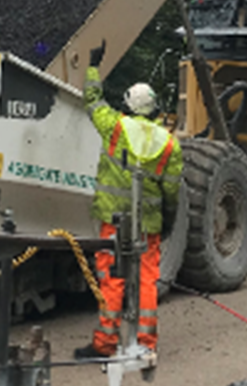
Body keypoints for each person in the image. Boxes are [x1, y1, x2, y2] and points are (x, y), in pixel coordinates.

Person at [74, 40, 183, 361]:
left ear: (128, 105)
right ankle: (145, 345)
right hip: (147, 222)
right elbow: (172, 191)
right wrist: (168, 221)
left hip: (114, 220)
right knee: (147, 280)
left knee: (112, 278)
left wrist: (94, 68)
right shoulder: (168, 144)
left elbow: (92, 100)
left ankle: (105, 344)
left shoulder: (116, 127)